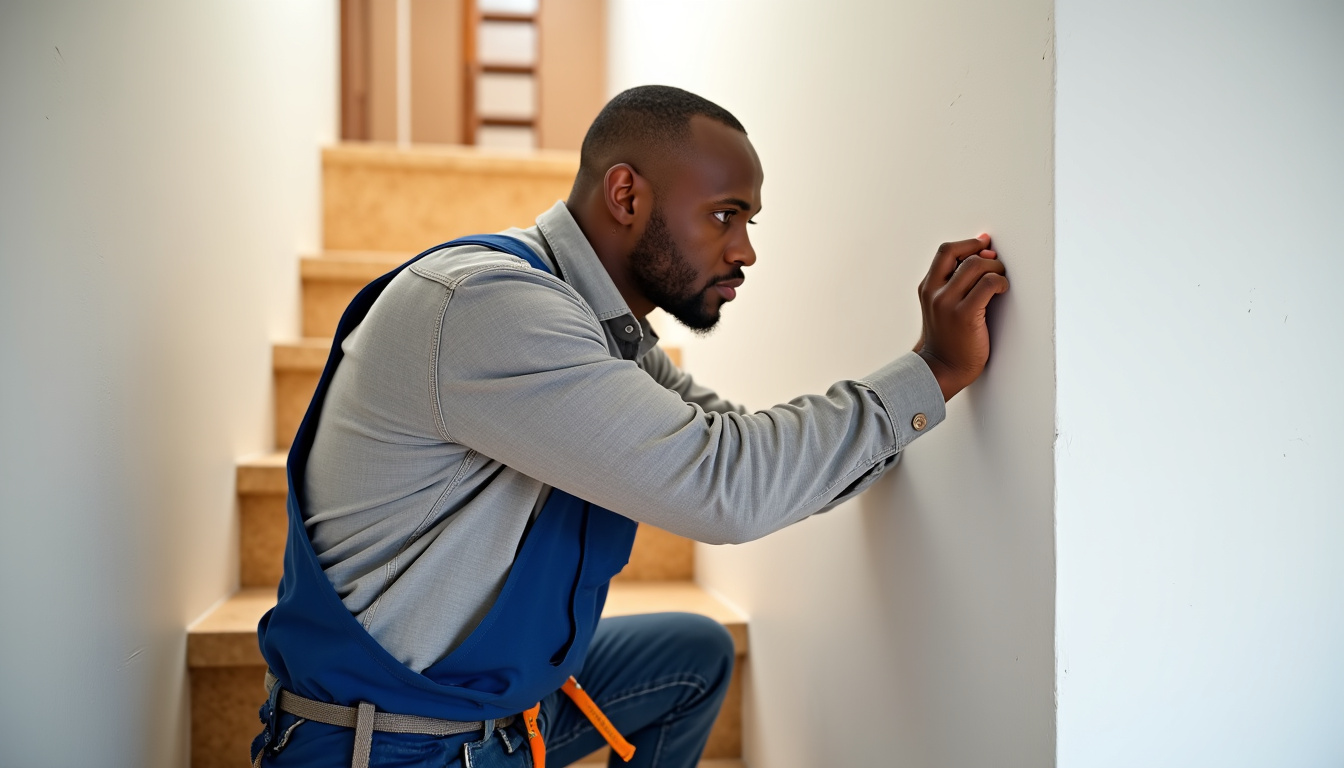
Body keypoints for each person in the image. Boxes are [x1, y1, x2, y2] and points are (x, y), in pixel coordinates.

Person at [252, 85, 1008, 768]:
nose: (745, 250)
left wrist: (903, 414)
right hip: (394, 742)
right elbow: (726, 485)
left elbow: (738, 447)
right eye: (725, 215)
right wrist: (934, 370)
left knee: (692, 656)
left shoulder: (596, 325)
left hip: (501, 715)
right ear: (626, 195)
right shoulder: (488, 308)